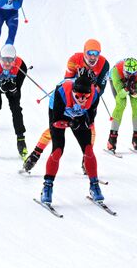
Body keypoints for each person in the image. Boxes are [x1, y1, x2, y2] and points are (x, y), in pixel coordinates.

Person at [24, 39, 109, 168]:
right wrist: (79, 78)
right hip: (69, 99)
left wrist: (91, 83)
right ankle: (35, 154)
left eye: (96, 53)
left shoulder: (104, 64)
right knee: (56, 129)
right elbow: (67, 82)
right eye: (90, 53)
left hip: (86, 100)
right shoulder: (74, 60)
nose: (93, 57)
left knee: (90, 128)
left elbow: (99, 91)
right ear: (84, 52)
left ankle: (86, 160)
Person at [35, 68, 105, 205]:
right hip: (59, 113)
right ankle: (47, 187)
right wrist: (71, 122)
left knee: (88, 150)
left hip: (78, 116)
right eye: (78, 96)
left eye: (85, 97)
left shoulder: (95, 96)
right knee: (58, 150)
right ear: (73, 91)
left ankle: (94, 185)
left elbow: (90, 121)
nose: (81, 99)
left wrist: (82, 122)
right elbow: (56, 121)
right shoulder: (62, 91)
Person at [106, 57, 137, 153]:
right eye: (128, 73)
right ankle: (112, 140)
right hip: (117, 80)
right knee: (121, 104)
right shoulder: (116, 71)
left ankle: (136, 139)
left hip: (136, 82)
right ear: (124, 70)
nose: (130, 75)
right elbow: (120, 95)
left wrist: (134, 91)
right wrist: (125, 89)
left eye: (133, 73)